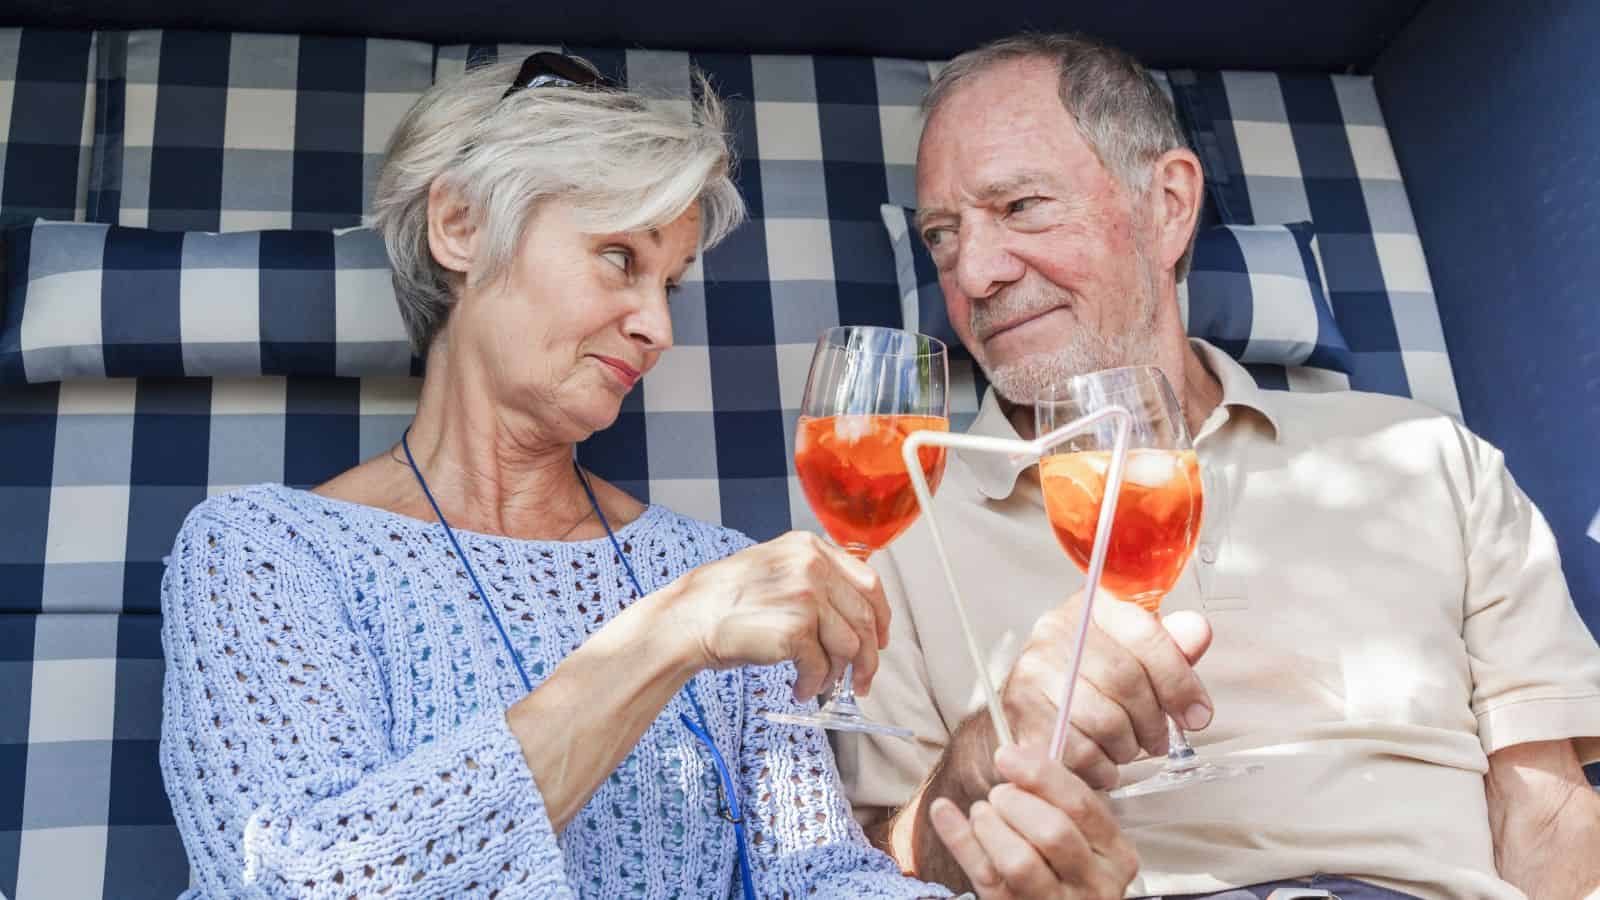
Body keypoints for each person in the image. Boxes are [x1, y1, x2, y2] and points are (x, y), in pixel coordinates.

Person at [157, 52, 1135, 899]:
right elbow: (283, 882)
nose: (658, 328)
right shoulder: (264, 555)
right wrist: (660, 637)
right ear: (458, 226)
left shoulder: (715, 568)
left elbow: (818, 878)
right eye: (617, 257)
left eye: (668, 284)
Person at [841, 32, 1600, 900]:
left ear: (1167, 204)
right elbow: (869, 862)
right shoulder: (896, 526)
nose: (974, 272)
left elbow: (1548, 816)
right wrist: (993, 746)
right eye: (942, 235)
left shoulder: (1425, 457)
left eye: (1020, 207)